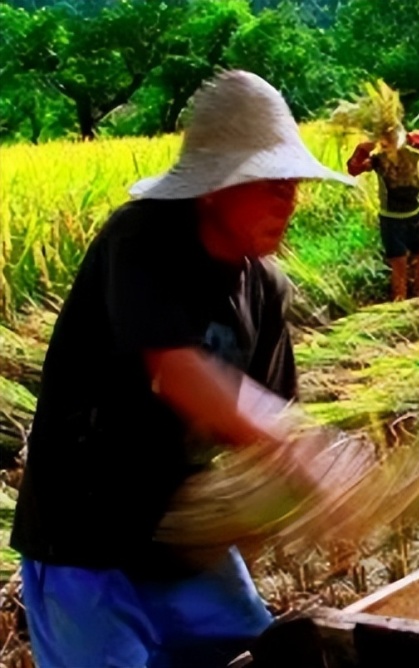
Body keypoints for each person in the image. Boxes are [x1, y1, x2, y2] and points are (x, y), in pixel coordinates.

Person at [9, 70, 355, 668]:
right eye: (270, 182)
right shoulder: (142, 239)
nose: (289, 199)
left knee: (263, 653)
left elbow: (267, 421)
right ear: (215, 186)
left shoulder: (265, 288)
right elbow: (177, 370)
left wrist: (309, 503)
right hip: (84, 540)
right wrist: (304, 448)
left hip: (179, 538)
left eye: (292, 182)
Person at [344, 87, 419, 302]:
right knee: (399, 264)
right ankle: (399, 305)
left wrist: (404, 136)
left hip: (415, 214)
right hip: (392, 220)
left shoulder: (411, 151)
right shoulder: (377, 159)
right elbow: (353, 168)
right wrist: (364, 148)